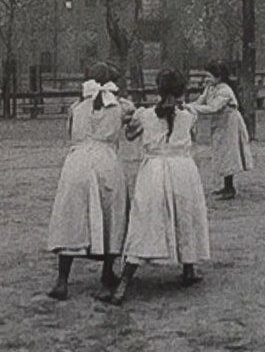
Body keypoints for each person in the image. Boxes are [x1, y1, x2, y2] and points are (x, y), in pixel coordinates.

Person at [99, 69, 210, 306]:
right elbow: (191, 134)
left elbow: (129, 135)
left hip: (154, 172)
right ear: (182, 91)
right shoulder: (190, 115)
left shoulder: (145, 115)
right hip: (183, 170)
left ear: (158, 90)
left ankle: (124, 283)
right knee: (185, 216)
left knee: (145, 221)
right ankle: (189, 268)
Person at [47, 63, 135, 301]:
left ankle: (62, 281)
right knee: (111, 214)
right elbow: (132, 129)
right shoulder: (121, 107)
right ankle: (107, 274)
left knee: (72, 215)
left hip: (76, 163)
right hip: (106, 161)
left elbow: (71, 134)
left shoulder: (76, 108)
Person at [189, 62, 253, 200]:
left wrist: (191, 109)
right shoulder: (210, 88)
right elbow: (200, 102)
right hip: (219, 123)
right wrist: (186, 106)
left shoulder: (225, 90)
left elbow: (213, 108)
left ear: (219, 77)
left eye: (209, 76)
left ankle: (230, 188)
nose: (207, 79)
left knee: (228, 154)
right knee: (221, 153)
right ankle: (226, 185)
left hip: (230, 123)